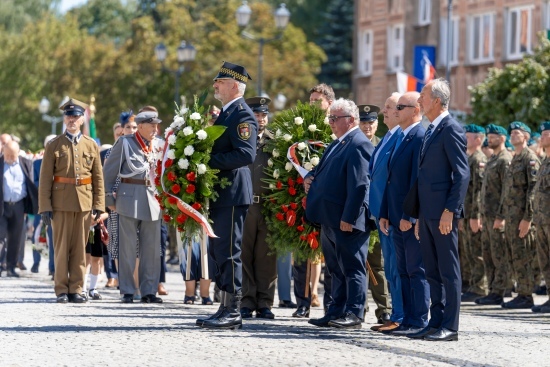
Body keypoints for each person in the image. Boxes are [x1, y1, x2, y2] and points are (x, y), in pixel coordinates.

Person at [197, 61, 257, 330]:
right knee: (219, 250)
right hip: (222, 191)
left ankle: (233, 310)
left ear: (234, 86)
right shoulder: (226, 113)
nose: (215, 86)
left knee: (229, 252)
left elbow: (246, 154)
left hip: (233, 191)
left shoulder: (242, 115)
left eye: (219, 82)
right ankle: (224, 306)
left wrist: (208, 160)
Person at [407, 79, 469, 341]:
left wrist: (450, 211)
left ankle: (450, 327)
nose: (419, 99)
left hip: (443, 215)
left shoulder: (450, 128)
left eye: (423, 94)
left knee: (448, 271)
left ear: (436, 101)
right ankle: (436, 322)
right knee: (431, 271)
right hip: (427, 214)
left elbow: (462, 174)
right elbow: (425, 177)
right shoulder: (431, 128)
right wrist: (419, 215)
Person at [305, 98, 374, 329]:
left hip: (346, 220)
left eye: (336, 119)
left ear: (351, 120)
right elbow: (321, 169)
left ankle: (354, 313)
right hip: (329, 219)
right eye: (330, 118)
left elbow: (360, 186)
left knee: (352, 267)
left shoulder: (359, 143)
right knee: (335, 269)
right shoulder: (338, 143)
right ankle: (335, 310)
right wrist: (310, 177)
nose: (331, 123)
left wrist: (350, 218)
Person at [38, 98, 105, 303]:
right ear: (64, 119)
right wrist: (45, 207)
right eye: (68, 116)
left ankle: (76, 288)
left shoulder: (91, 145)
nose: (72, 120)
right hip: (60, 203)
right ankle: (61, 290)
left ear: (82, 120)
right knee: (60, 249)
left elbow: (98, 178)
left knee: (79, 248)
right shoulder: (54, 145)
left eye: (75, 116)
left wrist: (98, 205)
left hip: (84, 202)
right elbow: (45, 179)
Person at [379, 91, 430, 336]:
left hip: (407, 217)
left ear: (416, 110)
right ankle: (408, 319)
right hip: (395, 215)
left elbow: (416, 182)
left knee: (415, 270)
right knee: (402, 270)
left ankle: (418, 319)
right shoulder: (402, 136)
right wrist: (385, 212)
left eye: (401, 106)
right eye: (396, 107)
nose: (396, 111)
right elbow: (391, 181)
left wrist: (410, 216)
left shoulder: (419, 136)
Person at [103, 109, 163, 304]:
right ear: (142, 126)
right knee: (127, 248)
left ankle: (149, 291)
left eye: (156, 125)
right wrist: (108, 200)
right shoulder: (125, 142)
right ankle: (128, 290)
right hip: (128, 198)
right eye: (152, 125)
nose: (155, 129)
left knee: (152, 249)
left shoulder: (160, 145)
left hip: (153, 199)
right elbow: (108, 173)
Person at [364, 96, 403, 332]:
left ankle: (394, 313)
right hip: (377, 212)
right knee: (388, 267)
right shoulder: (387, 139)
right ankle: (395, 313)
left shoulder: (397, 138)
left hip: (391, 213)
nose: (384, 112)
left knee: (392, 268)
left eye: (389, 108)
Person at [240, 96, 277, 319]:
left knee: (266, 257)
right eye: (256, 114)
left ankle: (265, 302)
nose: (260, 119)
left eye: (263, 115)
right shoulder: (242, 138)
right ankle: (246, 300)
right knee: (244, 254)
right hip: (245, 205)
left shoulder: (275, 142)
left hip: (268, 206)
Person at [499, 122, 539, 309]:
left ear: (526, 136)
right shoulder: (515, 158)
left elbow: (533, 190)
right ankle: (522, 293)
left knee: (523, 255)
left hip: (522, 217)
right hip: (511, 217)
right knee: (515, 255)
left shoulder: (529, 158)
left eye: (516, 133)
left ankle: (526, 295)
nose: (512, 135)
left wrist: (527, 218)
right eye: (511, 133)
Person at [475, 125, 514, 306]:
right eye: (489, 136)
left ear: (503, 138)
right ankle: (492, 289)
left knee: (499, 255)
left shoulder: (505, 160)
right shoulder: (492, 159)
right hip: (487, 215)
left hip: (498, 216)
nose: (490, 139)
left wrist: (501, 216)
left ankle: (500, 290)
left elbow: (506, 192)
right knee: (489, 254)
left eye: (494, 136)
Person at [0, 141, 38, 277]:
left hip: (19, 205)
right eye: (7, 155)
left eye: (12, 155)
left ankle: (11, 267)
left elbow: (30, 184)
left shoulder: (26, 163)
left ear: (18, 153)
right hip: (2, 205)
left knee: (15, 237)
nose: (9, 158)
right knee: (0, 235)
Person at [460, 124, 488, 302]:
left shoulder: (479, 159)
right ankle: (472, 283)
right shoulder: (469, 158)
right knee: (468, 250)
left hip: (474, 214)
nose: (465, 138)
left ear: (478, 139)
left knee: (476, 251)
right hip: (467, 212)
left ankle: (480, 287)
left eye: (468, 136)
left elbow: (479, 191)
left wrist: (476, 215)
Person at [31, 134, 56, 276]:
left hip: (57, 205)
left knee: (53, 238)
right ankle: (35, 262)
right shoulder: (37, 163)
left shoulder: (61, 161)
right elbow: (34, 182)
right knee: (37, 235)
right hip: (40, 205)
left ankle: (53, 268)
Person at [532, 121, 550, 313]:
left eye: (545, 134)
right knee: (545, 261)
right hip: (542, 220)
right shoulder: (544, 161)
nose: (541, 137)